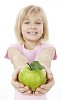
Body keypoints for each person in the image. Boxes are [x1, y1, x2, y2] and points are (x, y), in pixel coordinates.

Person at [5, 5, 57, 100]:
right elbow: (17, 58)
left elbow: (45, 58)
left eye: (37, 23)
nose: (32, 26)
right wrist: (20, 68)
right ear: (20, 28)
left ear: (44, 28)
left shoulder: (49, 48)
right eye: (27, 22)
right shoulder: (13, 48)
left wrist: (43, 68)